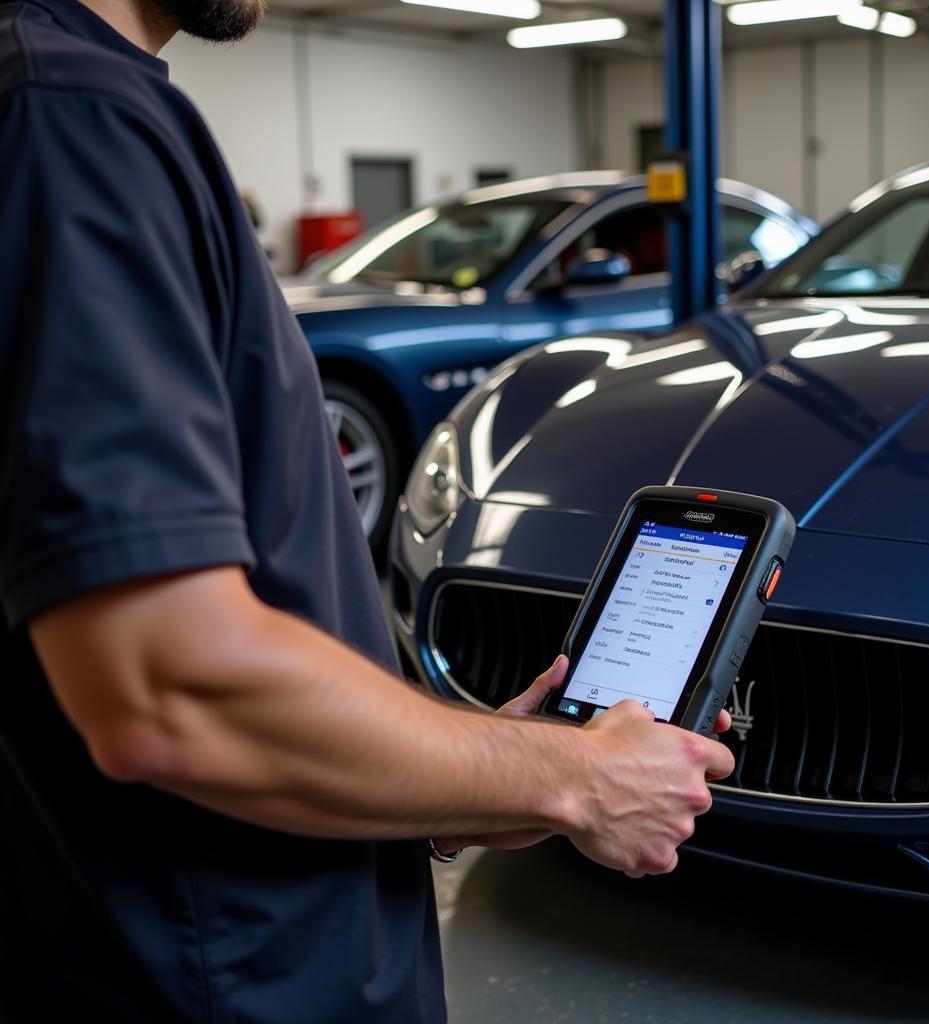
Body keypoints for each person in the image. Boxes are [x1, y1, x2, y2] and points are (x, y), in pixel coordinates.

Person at [0, 0, 735, 1020]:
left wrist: (477, 777)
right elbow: (167, 689)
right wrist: (572, 776)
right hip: (228, 974)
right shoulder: (71, 118)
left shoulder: (76, 105)